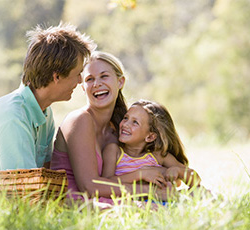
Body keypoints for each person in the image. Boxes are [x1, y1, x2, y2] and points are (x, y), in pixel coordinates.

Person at [0, 23, 95, 171]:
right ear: (57, 76)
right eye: (77, 74)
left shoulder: (46, 113)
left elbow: (45, 175)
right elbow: (20, 187)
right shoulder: (12, 117)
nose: (80, 80)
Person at [50, 51, 172, 202]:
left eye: (104, 76)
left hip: (109, 199)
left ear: (120, 82)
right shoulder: (80, 120)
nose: (97, 84)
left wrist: (165, 177)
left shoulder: (120, 127)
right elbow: (89, 187)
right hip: (74, 203)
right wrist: (147, 191)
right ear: (83, 88)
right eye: (89, 79)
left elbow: (147, 162)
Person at [102, 99, 202, 189]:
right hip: (130, 202)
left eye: (135, 122)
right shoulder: (114, 151)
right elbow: (105, 183)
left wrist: (178, 171)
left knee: (200, 192)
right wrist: (141, 174)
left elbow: (196, 180)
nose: (125, 124)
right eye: (125, 118)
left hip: (160, 202)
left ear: (150, 137)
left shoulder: (158, 155)